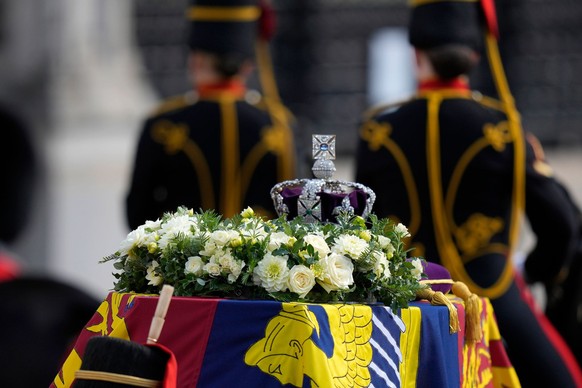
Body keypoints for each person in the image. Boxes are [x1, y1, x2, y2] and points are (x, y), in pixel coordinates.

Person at [355, 0, 582, 386]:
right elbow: (562, 222)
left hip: (410, 306)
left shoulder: (378, 131)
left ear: (416, 54)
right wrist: (535, 270)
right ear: (475, 55)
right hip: (496, 302)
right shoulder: (501, 124)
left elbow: (358, 226)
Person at [125, 0, 296, 230]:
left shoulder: (162, 124)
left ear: (196, 60)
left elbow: (139, 212)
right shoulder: (279, 123)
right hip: (260, 263)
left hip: (181, 263)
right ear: (247, 66)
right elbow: (295, 211)